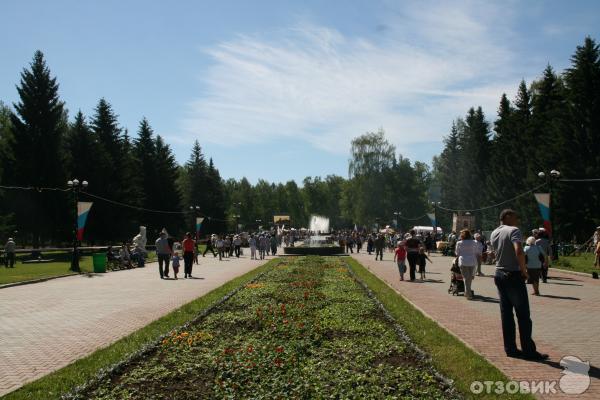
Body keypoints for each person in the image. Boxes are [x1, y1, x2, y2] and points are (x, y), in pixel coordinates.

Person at [490, 209, 548, 360]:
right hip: (513, 275)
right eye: (516, 217)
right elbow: (519, 251)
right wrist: (524, 271)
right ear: (507, 217)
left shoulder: (494, 232)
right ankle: (529, 350)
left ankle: (510, 349)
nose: (518, 221)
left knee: (506, 314)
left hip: (499, 274)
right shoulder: (514, 230)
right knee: (523, 315)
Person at [455, 229, 478, 299]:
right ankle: (468, 291)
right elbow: (476, 251)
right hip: (472, 261)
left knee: (466, 278)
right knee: (470, 278)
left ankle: (468, 293)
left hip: (463, 261)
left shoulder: (459, 243)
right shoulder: (474, 242)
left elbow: (457, 253)